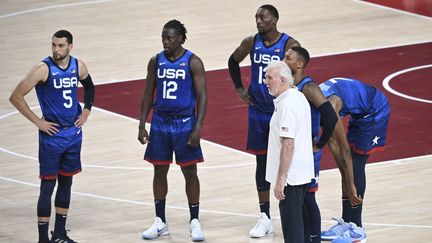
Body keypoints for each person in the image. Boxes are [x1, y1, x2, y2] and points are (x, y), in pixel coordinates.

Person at [9, 30, 95, 243]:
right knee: (47, 186)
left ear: (70, 47)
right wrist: (38, 122)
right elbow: (15, 97)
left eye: (60, 46)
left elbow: (90, 86)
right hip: (52, 136)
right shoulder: (42, 69)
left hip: (73, 134)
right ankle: (42, 239)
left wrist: (86, 111)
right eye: (53, 45)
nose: (56, 50)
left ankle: (59, 234)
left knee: (66, 183)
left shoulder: (79, 66)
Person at [227, 4, 300, 238]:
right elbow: (232, 60)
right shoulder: (251, 42)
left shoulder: (289, 45)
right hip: (258, 111)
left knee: (288, 161)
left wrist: (291, 96)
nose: (258, 21)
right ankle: (265, 216)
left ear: (275, 19)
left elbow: (299, 70)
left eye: (263, 17)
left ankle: (292, 210)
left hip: (280, 112)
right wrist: (239, 88)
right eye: (256, 17)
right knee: (262, 163)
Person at [283, 46, 362, 243]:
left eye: (288, 58)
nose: (284, 60)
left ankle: (314, 239)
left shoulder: (309, 87)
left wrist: (320, 143)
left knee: (308, 198)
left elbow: (329, 115)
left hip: (309, 152)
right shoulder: (292, 86)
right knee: (299, 199)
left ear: (299, 64)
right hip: (299, 150)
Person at [137, 20, 207, 242]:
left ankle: (194, 221)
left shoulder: (193, 62)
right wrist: (141, 124)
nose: (165, 41)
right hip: (160, 122)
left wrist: (198, 127)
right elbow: (148, 93)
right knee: (159, 171)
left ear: (180, 39)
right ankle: (160, 222)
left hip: (185, 123)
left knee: (190, 172)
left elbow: (203, 97)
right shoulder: (155, 61)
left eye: (169, 38)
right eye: (163, 37)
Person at [319, 77, 390, 242]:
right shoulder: (313, 99)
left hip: (375, 109)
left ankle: (357, 229)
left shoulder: (329, 107)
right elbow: (330, 141)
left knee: (355, 165)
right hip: (360, 112)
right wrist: (344, 171)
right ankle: (346, 222)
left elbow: (342, 147)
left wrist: (349, 179)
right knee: (348, 168)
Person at [264, 60, 314, 243]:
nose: (265, 81)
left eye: (270, 77)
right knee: (298, 226)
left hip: (291, 178)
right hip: (299, 174)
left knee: (292, 231)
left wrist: (281, 179)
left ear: (283, 80)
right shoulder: (297, 96)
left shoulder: (287, 104)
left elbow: (288, 144)